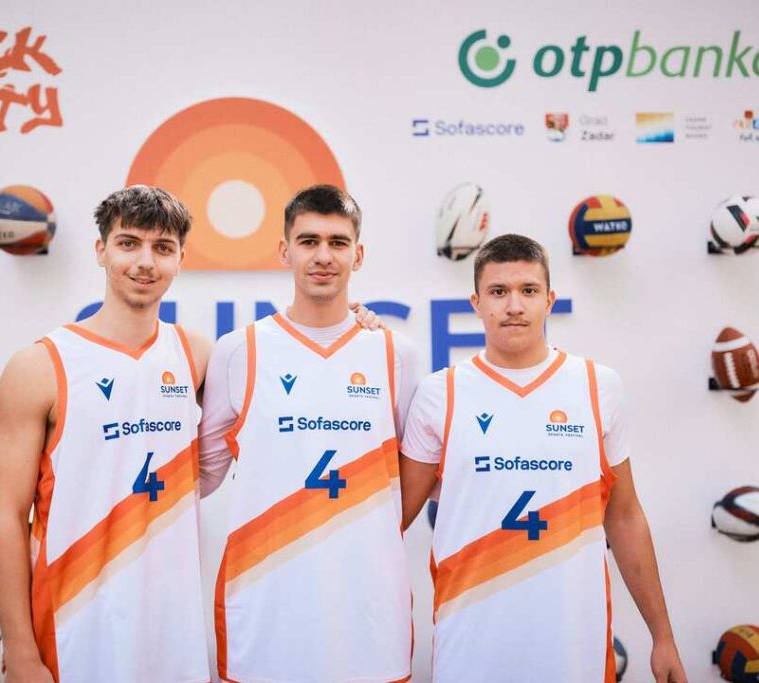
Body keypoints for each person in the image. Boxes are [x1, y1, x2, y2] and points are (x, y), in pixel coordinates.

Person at [399, 234, 688, 683]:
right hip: (469, 648)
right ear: (476, 303)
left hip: (575, 649)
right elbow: (388, 520)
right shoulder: (441, 393)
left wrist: (662, 636)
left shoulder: (597, 385)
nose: (514, 306)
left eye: (529, 290)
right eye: (498, 292)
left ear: (549, 300)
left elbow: (625, 516)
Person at [0, 185, 212, 683]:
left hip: (173, 638)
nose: (145, 262)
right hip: (72, 630)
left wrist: (361, 324)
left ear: (180, 259)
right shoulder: (38, 366)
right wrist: (20, 651)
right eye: (128, 243)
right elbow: (5, 517)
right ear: (100, 250)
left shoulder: (196, 355)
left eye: (163, 248)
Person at [198, 185, 419, 683]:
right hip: (265, 605)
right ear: (284, 251)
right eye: (308, 241)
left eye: (338, 243)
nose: (323, 256)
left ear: (358, 255)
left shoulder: (395, 353)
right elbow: (201, 476)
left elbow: (413, 478)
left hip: (367, 610)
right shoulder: (238, 351)